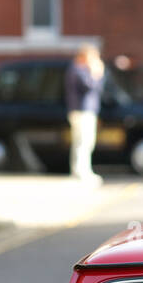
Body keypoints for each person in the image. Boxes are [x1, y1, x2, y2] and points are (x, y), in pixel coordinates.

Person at [65, 45, 105, 182]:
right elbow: (89, 87)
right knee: (83, 142)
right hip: (81, 111)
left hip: (85, 110)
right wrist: (96, 74)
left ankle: (81, 169)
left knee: (84, 142)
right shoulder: (78, 70)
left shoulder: (79, 70)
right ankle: (81, 171)